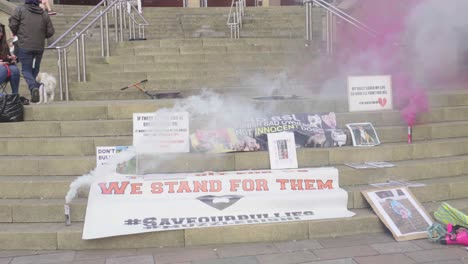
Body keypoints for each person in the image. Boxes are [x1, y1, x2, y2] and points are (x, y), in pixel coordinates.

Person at [9, 0, 54, 103]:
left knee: (26, 70)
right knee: (35, 69)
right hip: (39, 47)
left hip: (24, 45)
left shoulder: (20, 9)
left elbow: (12, 24)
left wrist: (18, 33)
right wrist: (42, 36)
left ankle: (34, 87)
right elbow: (50, 31)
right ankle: (35, 89)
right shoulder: (43, 13)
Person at [0, 23, 20, 95]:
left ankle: (15, 95)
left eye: (2, 32)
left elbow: (5, 58)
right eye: (0, 31)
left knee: (14, 69)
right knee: (3, 69)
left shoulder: (3, 44)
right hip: (2, 69)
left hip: (5, 67)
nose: (1, 34)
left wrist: (11, 58)